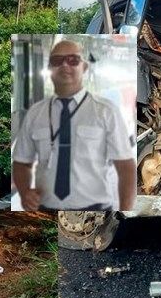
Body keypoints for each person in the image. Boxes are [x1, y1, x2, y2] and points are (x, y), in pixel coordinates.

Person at [12, 39, 136, 211]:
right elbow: (21, 163)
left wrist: (125, 213)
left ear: (84, 67)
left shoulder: (106, 111)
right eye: (57, 61)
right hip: (45, 209)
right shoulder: (35, 113)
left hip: (96, 209)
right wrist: (25, 192)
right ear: (49, 69)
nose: (64, 65)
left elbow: (125, 167)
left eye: (72, 60)